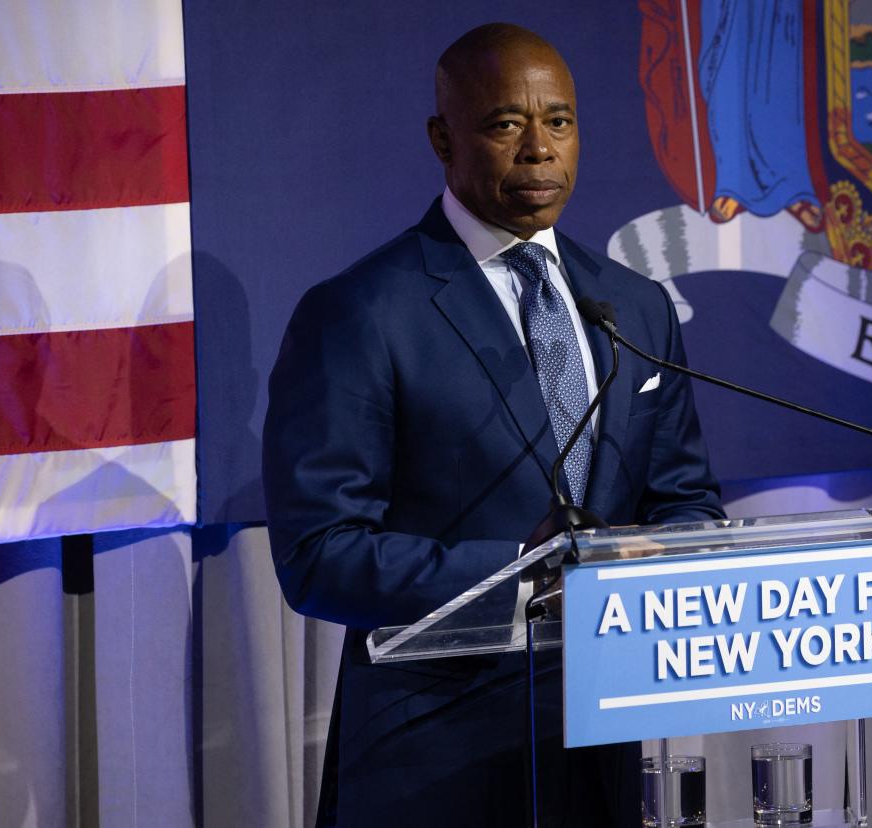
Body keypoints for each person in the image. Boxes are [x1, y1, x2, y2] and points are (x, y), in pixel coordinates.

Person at [262, 22, 723, 827]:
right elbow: (318, 556)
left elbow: (683, 498)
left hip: (604, 747)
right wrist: (524, 571)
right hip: (433, 763)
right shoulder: (361, 312)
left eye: (560, 122)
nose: (539, 150)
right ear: (444, 137)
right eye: (506, 123)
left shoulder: (635, 305)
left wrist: (674, 556)